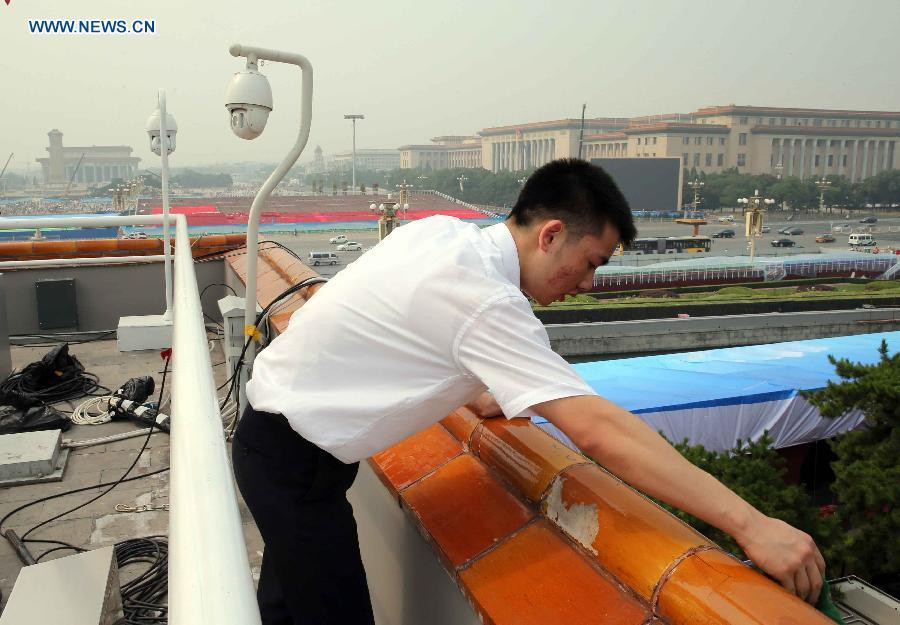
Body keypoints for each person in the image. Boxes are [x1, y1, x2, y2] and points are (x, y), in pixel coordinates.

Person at [232, 159, 825, 625]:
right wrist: (751, 525)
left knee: (286, 607)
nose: (588, 284)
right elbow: (597, 430)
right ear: (552, 235)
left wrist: (474, 385)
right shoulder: (487, 300)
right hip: (296, 465)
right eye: (590, 263)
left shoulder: (443, 236)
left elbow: (402, 331)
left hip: (276, 438)